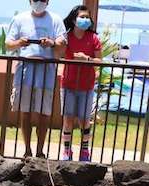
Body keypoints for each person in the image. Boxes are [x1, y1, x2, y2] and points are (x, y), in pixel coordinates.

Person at [6, 0, 67, 158]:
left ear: (47, 2)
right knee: (25, 111)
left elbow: (63, 43)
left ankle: (40, 151)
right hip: (25, 70)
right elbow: (8, 44)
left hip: (46, 70)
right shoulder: (19, 19)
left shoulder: (56, 19)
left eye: (42, 0)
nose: (38, 2)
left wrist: (52, 43)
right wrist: (20, 42)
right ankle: (27, 150)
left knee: (44, 113)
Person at [60, 5, 100, 162]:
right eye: (81, 17)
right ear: (73, 19)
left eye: (87, 17)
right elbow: (58, 52)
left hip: (86, 85)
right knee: (68, 119)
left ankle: (84, 151)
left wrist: (87, 59)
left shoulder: (94, 38)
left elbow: (99, 60)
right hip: (68, 84)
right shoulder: (66, 37)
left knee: (84, 120)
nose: (85, 20)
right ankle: (67, 150)